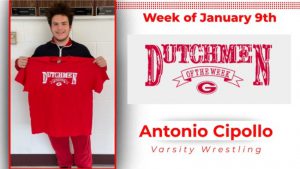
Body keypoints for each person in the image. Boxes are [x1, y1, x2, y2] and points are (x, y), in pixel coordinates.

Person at [15, 2, 108, 168]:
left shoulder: (82, 51)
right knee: (59, 147)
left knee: (83, 148)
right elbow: (27, 74)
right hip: (52, 111)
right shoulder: (41, 51)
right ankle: (64, 165)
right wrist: (19, 63)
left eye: (64, 24)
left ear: (70, 26)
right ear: (50, 26)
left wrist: (102, 65)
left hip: (78, 112)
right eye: (56, 24)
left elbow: (96, 78)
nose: (60, 28)